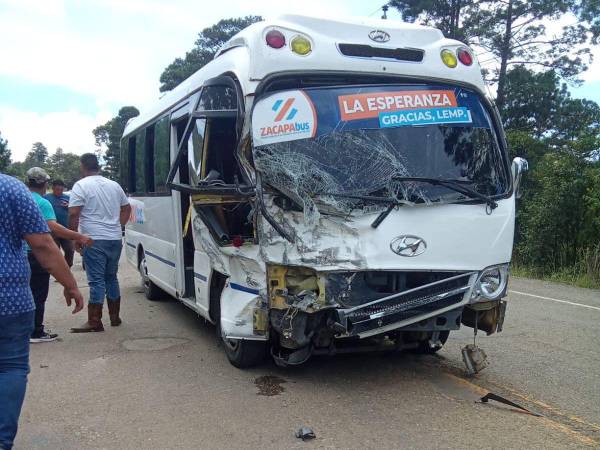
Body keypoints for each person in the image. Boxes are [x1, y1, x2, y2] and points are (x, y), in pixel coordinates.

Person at [0, 173, 84, 450]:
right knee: (10, 367)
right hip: (8, 299)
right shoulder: (10, 188)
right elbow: (43, 243)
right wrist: (70, 284)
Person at [24, 168, 92, 343]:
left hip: (18, 255)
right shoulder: (42, 202)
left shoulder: (21, 198)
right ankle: (36, 332)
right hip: (35, 254)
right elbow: (52, 227)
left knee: (23, 292)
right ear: (45, 184)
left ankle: (20, 330)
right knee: (38, 294)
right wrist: (79, 236)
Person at [69, 153, 131, 332]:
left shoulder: (81, 185)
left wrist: (75, 237)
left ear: (83, 167)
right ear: (98, 166)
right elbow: (126, 208)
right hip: (114, 238)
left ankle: (95, 321)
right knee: (111, 277)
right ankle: (115, 317)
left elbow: (73, 213)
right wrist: (117, 226)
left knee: (96, 280)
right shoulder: (114, 185)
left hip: (93, 239)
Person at [44, 179, 75, 267]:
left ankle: (67, 268)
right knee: (55, 252)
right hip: (52, 230)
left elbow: (74, 211)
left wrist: (69, 206)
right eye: (57, 189)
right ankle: (58, 271)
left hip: (65, 229)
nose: (59, 192)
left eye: (61, 190)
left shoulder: (68, 198)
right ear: (53, 188)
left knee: (70, 250)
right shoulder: (46, 198)